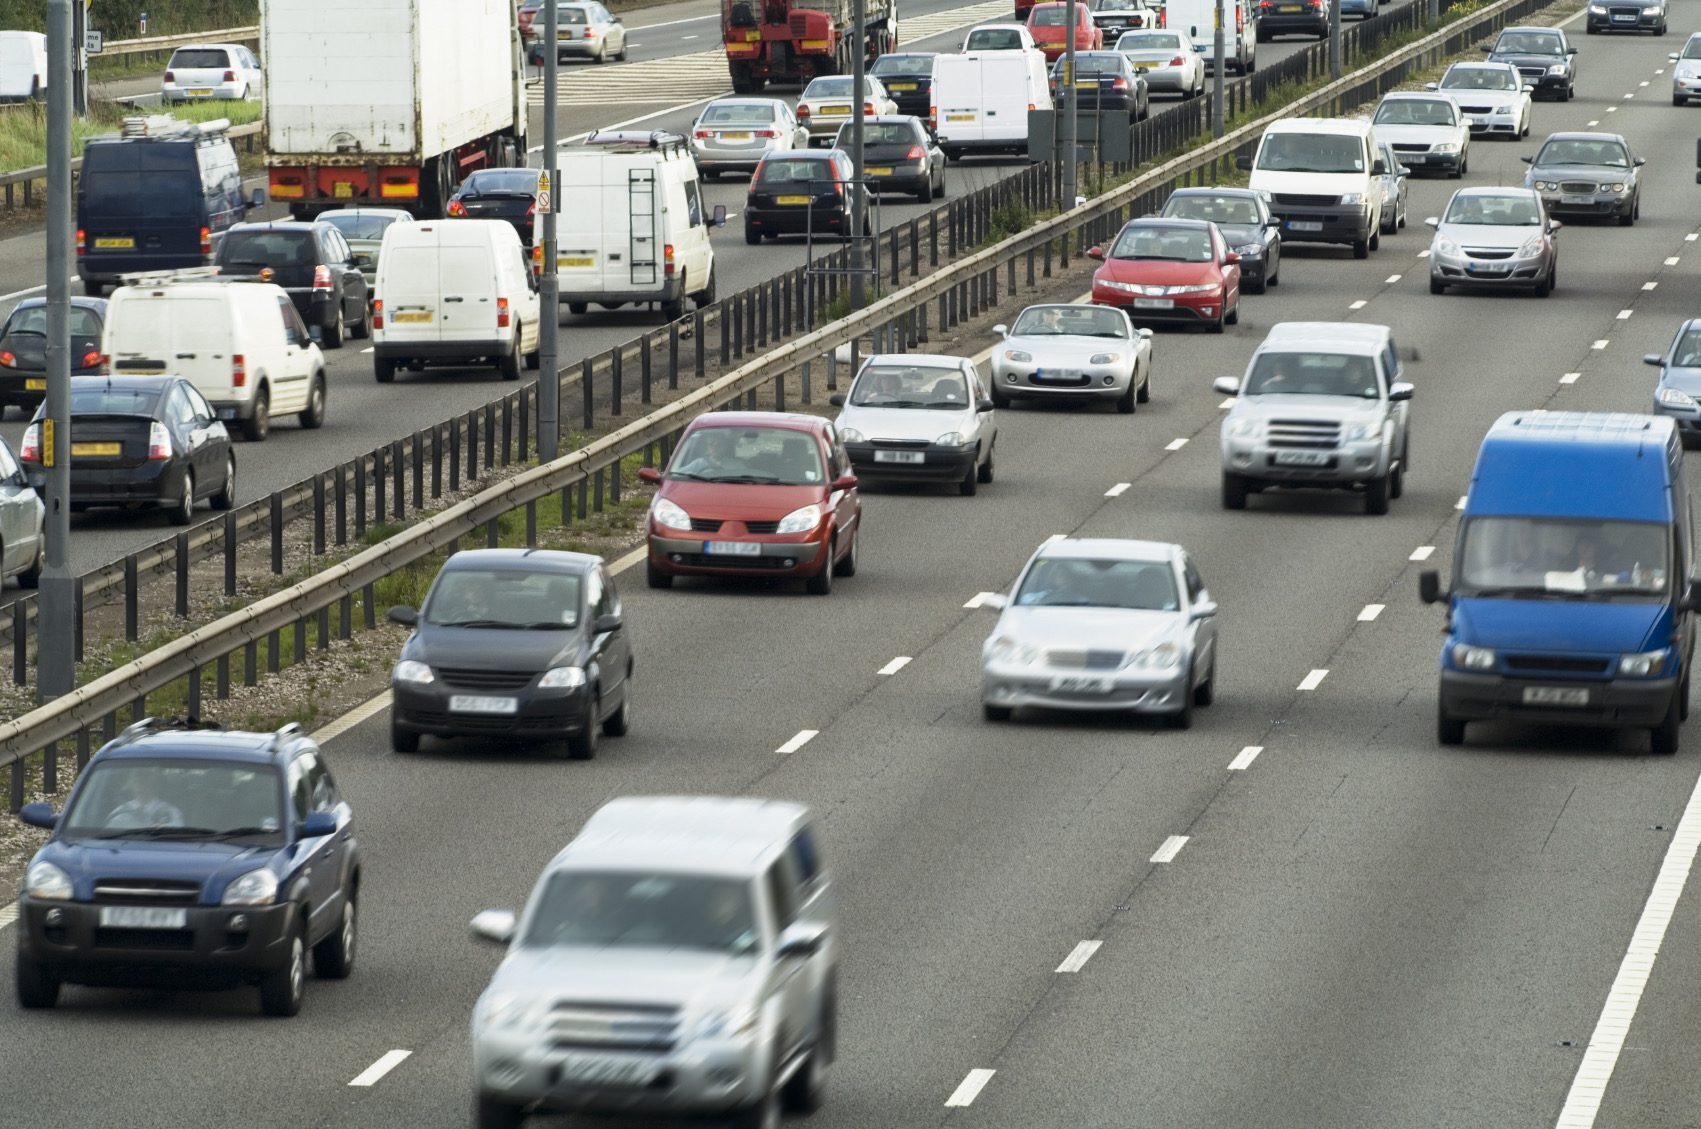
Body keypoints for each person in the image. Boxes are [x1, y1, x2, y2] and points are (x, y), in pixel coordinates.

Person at [105, 773, 185, 830]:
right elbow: (107, 838)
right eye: (137, 780)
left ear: (154, 784)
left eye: (145, 780)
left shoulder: (170, 812)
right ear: (131, 785)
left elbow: (178, 838)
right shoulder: (120, 812)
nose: (140, 785)